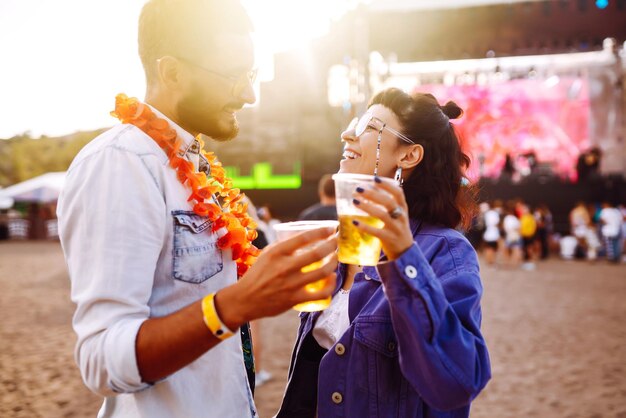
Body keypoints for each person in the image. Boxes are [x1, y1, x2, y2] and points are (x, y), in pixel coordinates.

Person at [56, 1, 338, 417]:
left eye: (252, 73)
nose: (249, 93)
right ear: (171, 71)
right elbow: (102, 361)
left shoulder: (192, 164)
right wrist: (238, 303)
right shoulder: (122, 162)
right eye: (234, 75)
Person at [276, 88, 491, 417]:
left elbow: (457, 384)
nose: (347, 134)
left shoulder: (445, 251)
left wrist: (403, 256)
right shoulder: (340, 242)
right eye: (353, 124)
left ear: (409, 156)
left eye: (368, 128)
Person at [482, 200, 502, 266]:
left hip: (487, 233)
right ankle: (492, 262)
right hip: (494, 233)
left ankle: (488, 262)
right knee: (493, 249)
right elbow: (496, 223)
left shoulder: (487, 214)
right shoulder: (495, 213)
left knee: (488, 248)